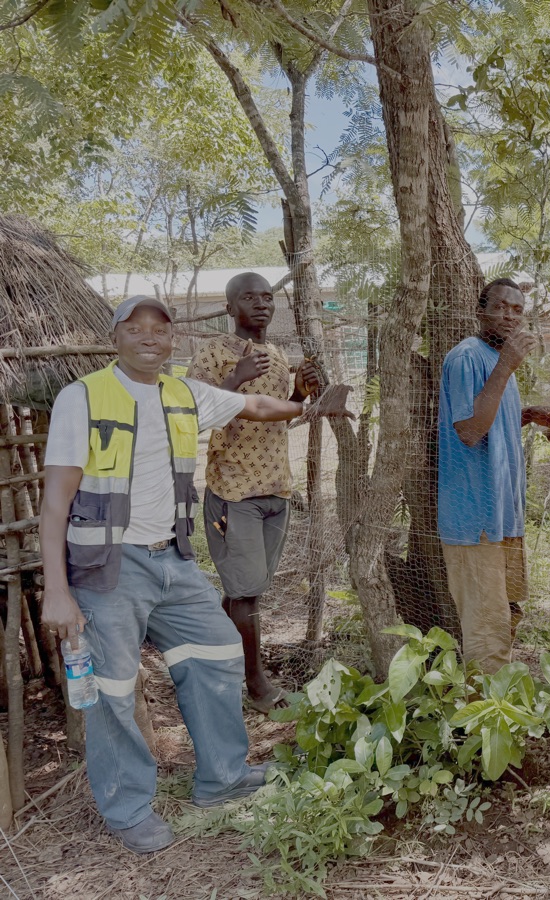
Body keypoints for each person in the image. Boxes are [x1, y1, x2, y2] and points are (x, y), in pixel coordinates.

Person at [39, 296, 323, 854]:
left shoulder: (184, 393)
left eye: (160, 330)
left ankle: (222, 777)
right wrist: (56, 589)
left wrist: (311, 411)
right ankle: (127, 807)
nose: (150, 338)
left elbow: (256, 406)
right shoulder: (83, 397)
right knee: (115, 689)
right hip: (108, 565)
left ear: (174, 342)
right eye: (136, 328)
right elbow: (55, 501)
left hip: (172, 556)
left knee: (218, 652)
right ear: (116, 336)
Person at [187, 272, 320, 713]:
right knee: (244, 593)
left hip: (276, 487)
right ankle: (256, 684)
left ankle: (231, 667)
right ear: (230, 308)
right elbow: (193, 418)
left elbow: (280, 414)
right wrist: (235, 379)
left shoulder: (277, 353)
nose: (261, 304)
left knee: (247, 589)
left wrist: (301, 389)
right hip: (234, 490)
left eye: (267, 297)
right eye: (249, 297)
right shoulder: (211, 354)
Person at [437, 277, 550, 673]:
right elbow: (470, 431)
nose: (510, 315)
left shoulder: (498, 360)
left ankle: (495, 705)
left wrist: (522, 416)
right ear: (480, 311)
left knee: (506, 613)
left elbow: (485, 420)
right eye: (501, 306)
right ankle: (486, 722)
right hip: (475, 520)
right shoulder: (466, 358)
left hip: (504, 517)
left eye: (518, 309)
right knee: (487, 630)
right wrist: (507, 365)